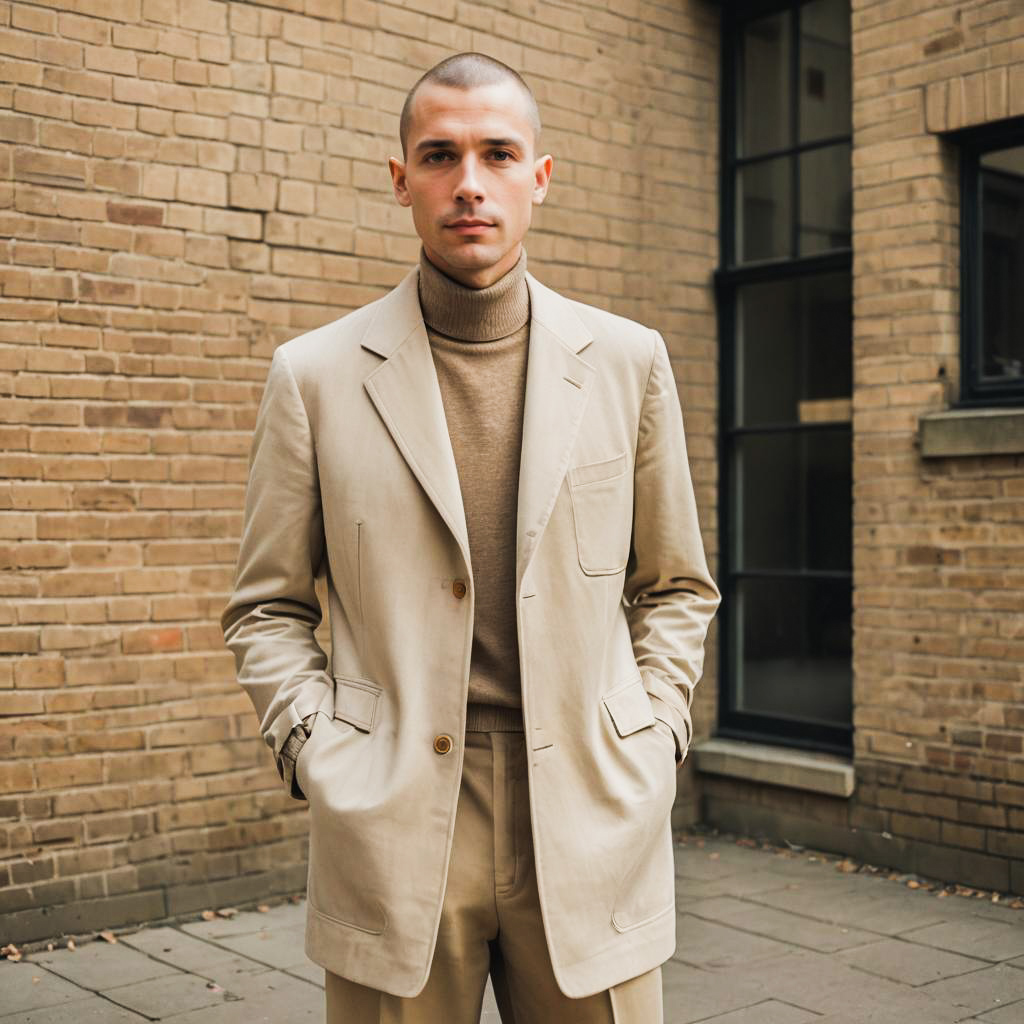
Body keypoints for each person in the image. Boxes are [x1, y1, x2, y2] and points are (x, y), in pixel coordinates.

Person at [221, 51, 721, 1024]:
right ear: (400, 179)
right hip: (393, 815)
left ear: (539, 176)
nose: (469, 183)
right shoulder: (314, 376)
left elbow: (674, 586)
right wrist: (317, 753)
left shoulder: (628, 363)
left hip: (589, 804)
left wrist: (654, 738)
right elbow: (266, 604)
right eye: (440, 155)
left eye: (497, 154)